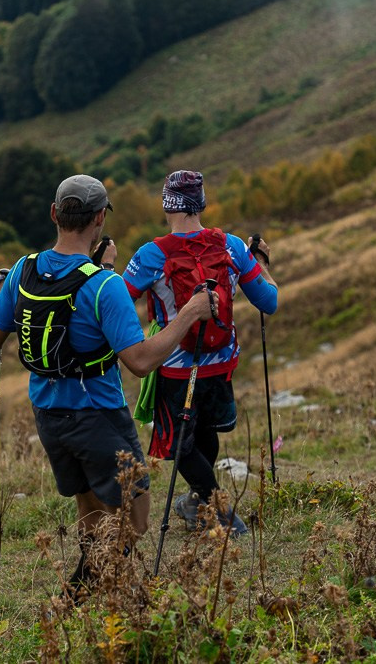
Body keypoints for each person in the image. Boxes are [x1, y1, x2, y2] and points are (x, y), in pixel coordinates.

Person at [0, 174, 215, 601]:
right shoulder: (104, 285)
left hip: (48, 416)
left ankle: (86, 589)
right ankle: (98, 590)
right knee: (136, 517)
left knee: (89, 505)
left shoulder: (23, 270)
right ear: (100, 220)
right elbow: (140, 361)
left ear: (55, 214)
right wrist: (190, 314)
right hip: (99, 415)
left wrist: (1, 296)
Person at [123, 170, 278, 536]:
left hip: (176, 367)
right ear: (202, 202)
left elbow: (115, 301)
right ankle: (196, 504)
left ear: (166, 204)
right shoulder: (232, 246)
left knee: (179, 443)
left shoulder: (151, 254)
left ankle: (219, 510)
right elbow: (268, 302)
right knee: (205, 431)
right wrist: (265, 268)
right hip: (221, 362)